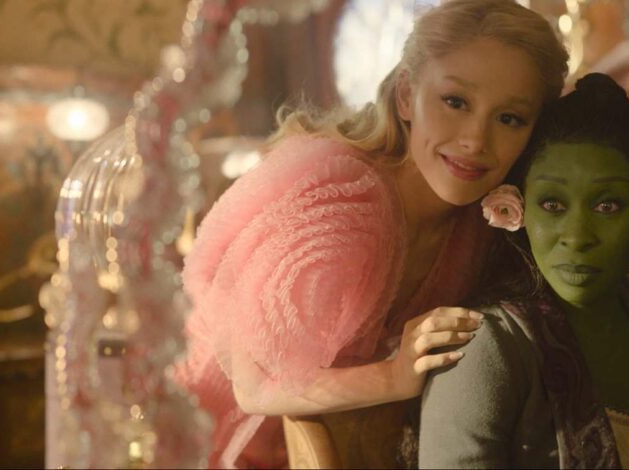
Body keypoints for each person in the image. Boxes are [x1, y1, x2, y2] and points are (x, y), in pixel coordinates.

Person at [176, 0, 568, 467]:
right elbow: (254, 386)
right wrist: (393, 375)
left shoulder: (479, 223)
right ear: (405, 96)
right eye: (455, 102)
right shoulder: (346, 211)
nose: (475, 140)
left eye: (509, 118)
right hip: (208, 444)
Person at [418, 73, 629, 469]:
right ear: (517, 209)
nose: (577, 237)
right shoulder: (486, 349)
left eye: (607, 206)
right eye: (552, 205)